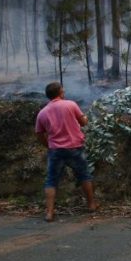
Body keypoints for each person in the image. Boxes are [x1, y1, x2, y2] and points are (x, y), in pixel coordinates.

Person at [34, 82, 98, 222]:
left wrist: (49, 145)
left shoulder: (42, 113)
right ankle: (92, 205)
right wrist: (86, 118)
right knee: (84, 175)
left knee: (51, 180)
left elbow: (39, 134)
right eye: (62, 89)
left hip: (56, 151)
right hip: (75, 148)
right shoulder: (71, 105)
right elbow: (84, 122)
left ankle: (49, 213)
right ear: (60, 92)